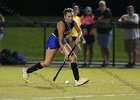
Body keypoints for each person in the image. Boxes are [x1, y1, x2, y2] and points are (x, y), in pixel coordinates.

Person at [22, 8, 89, 86]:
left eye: (72, 16)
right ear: (65, 16)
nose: (71, 18)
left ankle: (77, 80)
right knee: (46, 63)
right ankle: (27, 71)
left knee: (73, 57)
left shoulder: (73, 22)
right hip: (54, 40)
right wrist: (65, 53)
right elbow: (59, 41)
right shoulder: (61, 24)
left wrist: (78, 38)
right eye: (69, 16)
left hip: (62, 40)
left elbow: (80, 31)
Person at [94, 0, 112, 66]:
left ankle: (107, 60)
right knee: (102, 47)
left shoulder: (107, 11)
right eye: (100, 5)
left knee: (106, 47)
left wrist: (100, 20)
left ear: (105, 5)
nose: (101, 6)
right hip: (99, 32)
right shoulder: (97, 11)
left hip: (107, 32)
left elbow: (107, 21)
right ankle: (104, 60)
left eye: (103, 5)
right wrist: (102, 21)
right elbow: (95, 20)